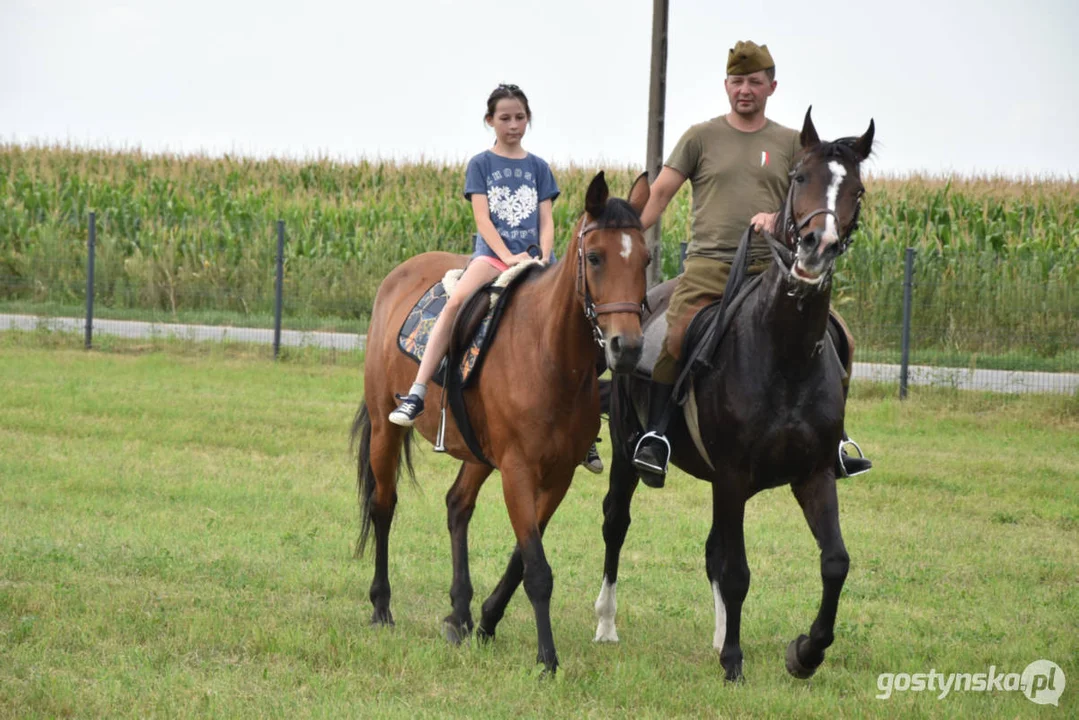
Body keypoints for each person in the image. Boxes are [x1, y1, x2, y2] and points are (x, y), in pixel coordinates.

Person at [630, 41, 872, 488]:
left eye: (755, 82)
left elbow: (810, 196)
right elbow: (661, 192)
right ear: (726, 85)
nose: (745, 89)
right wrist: (629, 233)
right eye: (737, 81)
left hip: (774, 268)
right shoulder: (700, 137)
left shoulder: (790, 143)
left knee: (842, 340)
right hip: (709, 265)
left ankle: (833, 439)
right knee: (677, 337)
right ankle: (658, 435)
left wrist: (776, 220)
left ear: (771, 87)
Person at [388, 83, 604, 474]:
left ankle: (585, 430)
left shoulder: (539, 167)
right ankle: (418, 392)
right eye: (505, 118)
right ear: (490, 120)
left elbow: (547, 220)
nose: (513, 125)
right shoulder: (480, 165)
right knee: (455, 304)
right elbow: (483, 219)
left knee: (580, 321)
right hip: (492, 258)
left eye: (520, 117)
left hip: (536, 261)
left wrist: (540, 254)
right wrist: (506, 256)